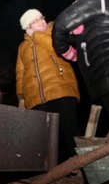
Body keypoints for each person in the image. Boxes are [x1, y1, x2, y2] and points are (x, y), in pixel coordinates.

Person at [16, 9, 81, 162]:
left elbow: (57, 48)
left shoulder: (54, 32)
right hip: (36, 98)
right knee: (46, 142)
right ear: (27, 26)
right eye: (36, 20)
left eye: (42, 17)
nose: (42, 21)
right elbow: (20, 73)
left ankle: (83, 167)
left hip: (60, 89)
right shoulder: (22, 47)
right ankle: (54, 175)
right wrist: (21, 97)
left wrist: (36, 35)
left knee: (70, 132)